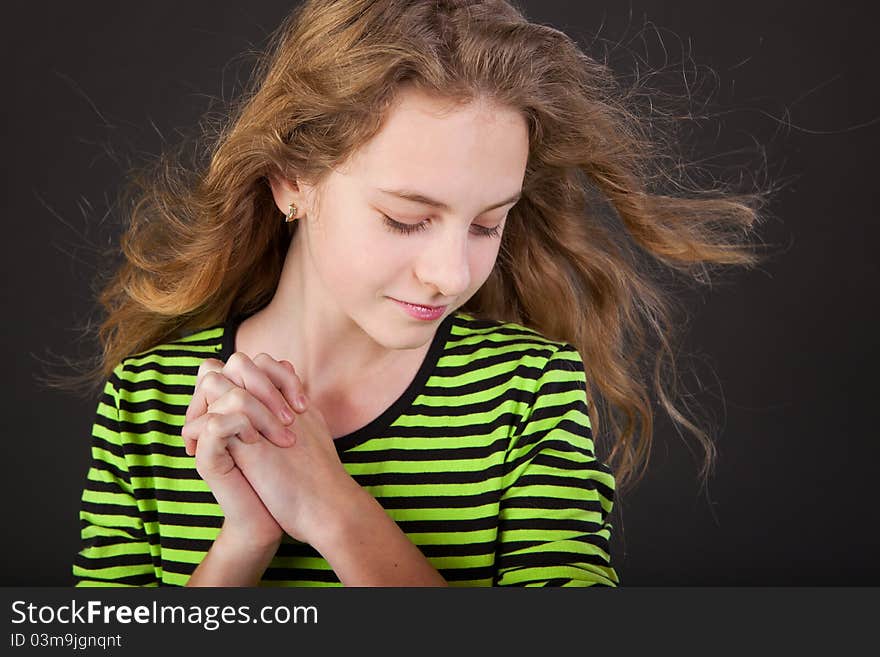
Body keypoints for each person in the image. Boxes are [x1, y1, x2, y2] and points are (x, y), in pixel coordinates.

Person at [71, 0, 766, 587]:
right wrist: (239, 547)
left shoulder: (531, 390)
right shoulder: (147, 402)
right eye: (407, 218)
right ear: (291, 182)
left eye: (488, 223)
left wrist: (333, 509)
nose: (454, 274)